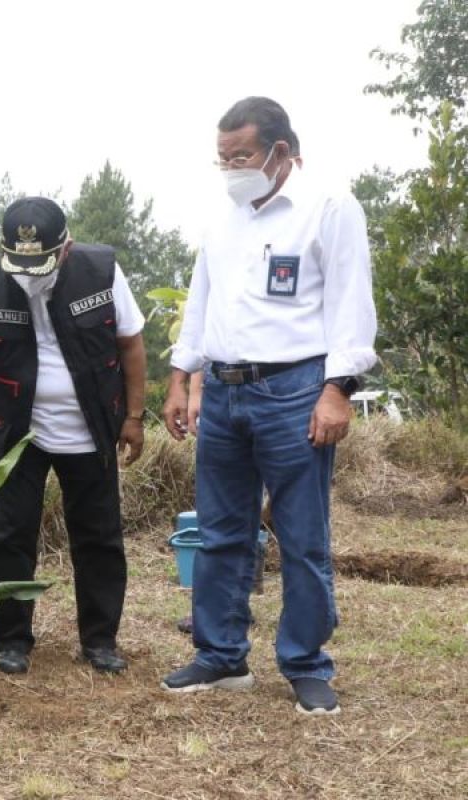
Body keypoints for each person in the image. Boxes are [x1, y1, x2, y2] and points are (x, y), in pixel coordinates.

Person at [161, 97, 377, 715]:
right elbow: (200, 303)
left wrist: (338, 390)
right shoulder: (223, 220)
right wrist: (182, 376)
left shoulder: (328, 209)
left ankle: (306, 664)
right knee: (223, 530)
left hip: (295, 390)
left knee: (301, 535)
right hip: (224, 393)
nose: (231, 169)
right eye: (222, 158)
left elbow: (350, 305)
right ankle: (220, 656)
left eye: (242, 157)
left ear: (281, 152)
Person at [0, 196, 147, 676]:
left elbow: (130, 343)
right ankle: (11, 639)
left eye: (37, 262)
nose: (28, 273)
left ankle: (100, 639)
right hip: (14, 432)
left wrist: (133, 416)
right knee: (9, 535)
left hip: (91, 426)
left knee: (99, 536)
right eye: (18, 262)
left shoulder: (102, 272)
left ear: (65, 247)